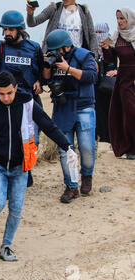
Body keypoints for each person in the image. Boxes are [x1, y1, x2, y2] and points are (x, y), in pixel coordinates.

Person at [0, 71, 73, 261]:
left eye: (9, 93)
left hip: (20, 166)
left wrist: (66, 145)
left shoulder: (27, 104)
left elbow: (48, 125)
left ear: (15, 88)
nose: (6, 98)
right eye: (1, 94)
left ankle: (5, 246)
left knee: (16, 209)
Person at [0, 11, 45, 187]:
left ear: (20, 29)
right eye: (4, 29)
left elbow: (42, 71)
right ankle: (15, 174)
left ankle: (26, 172)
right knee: (9, 139)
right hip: (6, 101)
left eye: (11, 29)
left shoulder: (34, 48)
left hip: (28, 100)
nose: (7, 33)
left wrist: (39, 81)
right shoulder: (0, 47)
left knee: (32, 140)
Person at [42, 29, 97, 203]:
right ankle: (71, 186)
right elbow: (45, 80)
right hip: (62, 107)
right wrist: (47, 66)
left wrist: (68, 68)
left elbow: (92, 76)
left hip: (83, 106)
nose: (54, 53)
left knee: (87, 148)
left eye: (56, 50)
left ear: (65, 46)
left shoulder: (84, 55)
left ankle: (86, 176)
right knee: (65, 150)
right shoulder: (52, 59)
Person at [101, 8, 135, 159]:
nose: (120, 21)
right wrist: (106, 49)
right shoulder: (115, 36)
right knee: (126, 114)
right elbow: (109, 60)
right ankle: (129, 148)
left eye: (123, 18)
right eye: (118, 18)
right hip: (123, 80)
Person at [26, 0, 98, 57]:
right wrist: (30, 13)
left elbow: (92, 35)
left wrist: (94, 57)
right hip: (55, 53)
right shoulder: (54, 8)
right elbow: (32, 23)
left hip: (77, 55)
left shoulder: (84, 11)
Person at [94, 22, 117, 143]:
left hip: (110, 87)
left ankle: (110, 137)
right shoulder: (92, 48)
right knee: (98, 111)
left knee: (110, 111)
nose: (99, 36)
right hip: (96, 86)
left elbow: (121, 62)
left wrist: (116, 71)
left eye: (101, 33)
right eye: (96, 33)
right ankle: (99, 136)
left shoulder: (113, 47)